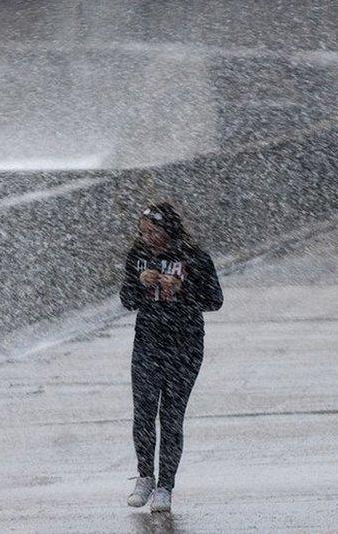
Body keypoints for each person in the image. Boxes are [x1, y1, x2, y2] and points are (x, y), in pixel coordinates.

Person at [119, 202, 223, 513]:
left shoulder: (194, 257)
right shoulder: (138, 257)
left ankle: (166, 485)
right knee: (144, 413)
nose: (147, 237)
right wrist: (140, 283)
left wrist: (183, 287)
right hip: (148, 344)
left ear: (169, 230)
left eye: (153, 232)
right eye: (143, 232)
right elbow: (126, 300)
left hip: (184, 345)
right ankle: (144, 476)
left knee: (172, 417)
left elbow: (214, 300)